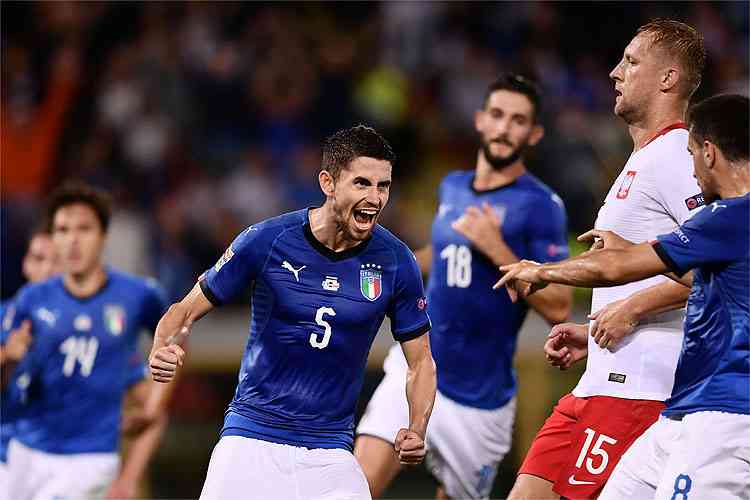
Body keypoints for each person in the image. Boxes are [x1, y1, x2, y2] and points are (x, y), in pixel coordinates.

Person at [148, 125, 437, 500]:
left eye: (383, 186)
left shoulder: (396, 261)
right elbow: (184, 311)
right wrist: (160, 348)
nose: (375, 198)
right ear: (328, 183)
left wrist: (417, 427)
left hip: (331, 452)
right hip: (252, 440)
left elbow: (421, 362)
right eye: (362, 183)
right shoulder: (267, 240)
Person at [496, 93, 749, 500]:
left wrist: (542, 270)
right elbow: (697, 276)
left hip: (725, 417)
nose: (691, 169)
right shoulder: (727, 225)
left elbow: (615, 268)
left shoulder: (732, 217)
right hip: (683, 413)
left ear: (709, 152)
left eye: (691, 155)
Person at [505, 19, 706, 500]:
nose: (616, 72)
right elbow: (648, 264)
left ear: (668, 79)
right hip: (598, 383)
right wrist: (594, 333)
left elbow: (713, 265)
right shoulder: (642, 159)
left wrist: (632, 310)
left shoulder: (677, 156)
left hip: (636, 393)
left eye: (631, 61)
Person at [354, 74, 572, 499]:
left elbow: (560, 305)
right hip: (418, 368)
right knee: (355, 488)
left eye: (518, 120)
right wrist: (380, 273)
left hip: (480, 400)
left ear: (535, 132)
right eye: (497, 115)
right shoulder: (452, 185)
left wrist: (496, 247)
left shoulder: (541, 206)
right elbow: (442, 252)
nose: (505, 128)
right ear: (479, 120)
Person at [5, 183, 171, 499]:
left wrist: (154, 403)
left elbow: (173, 336)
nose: (73, 240)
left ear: (103, 236)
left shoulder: (138, 296)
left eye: (84, 229)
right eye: (63, 230)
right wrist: (9, 358)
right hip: (25, 451)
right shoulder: (30, 300)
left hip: (90, 459)